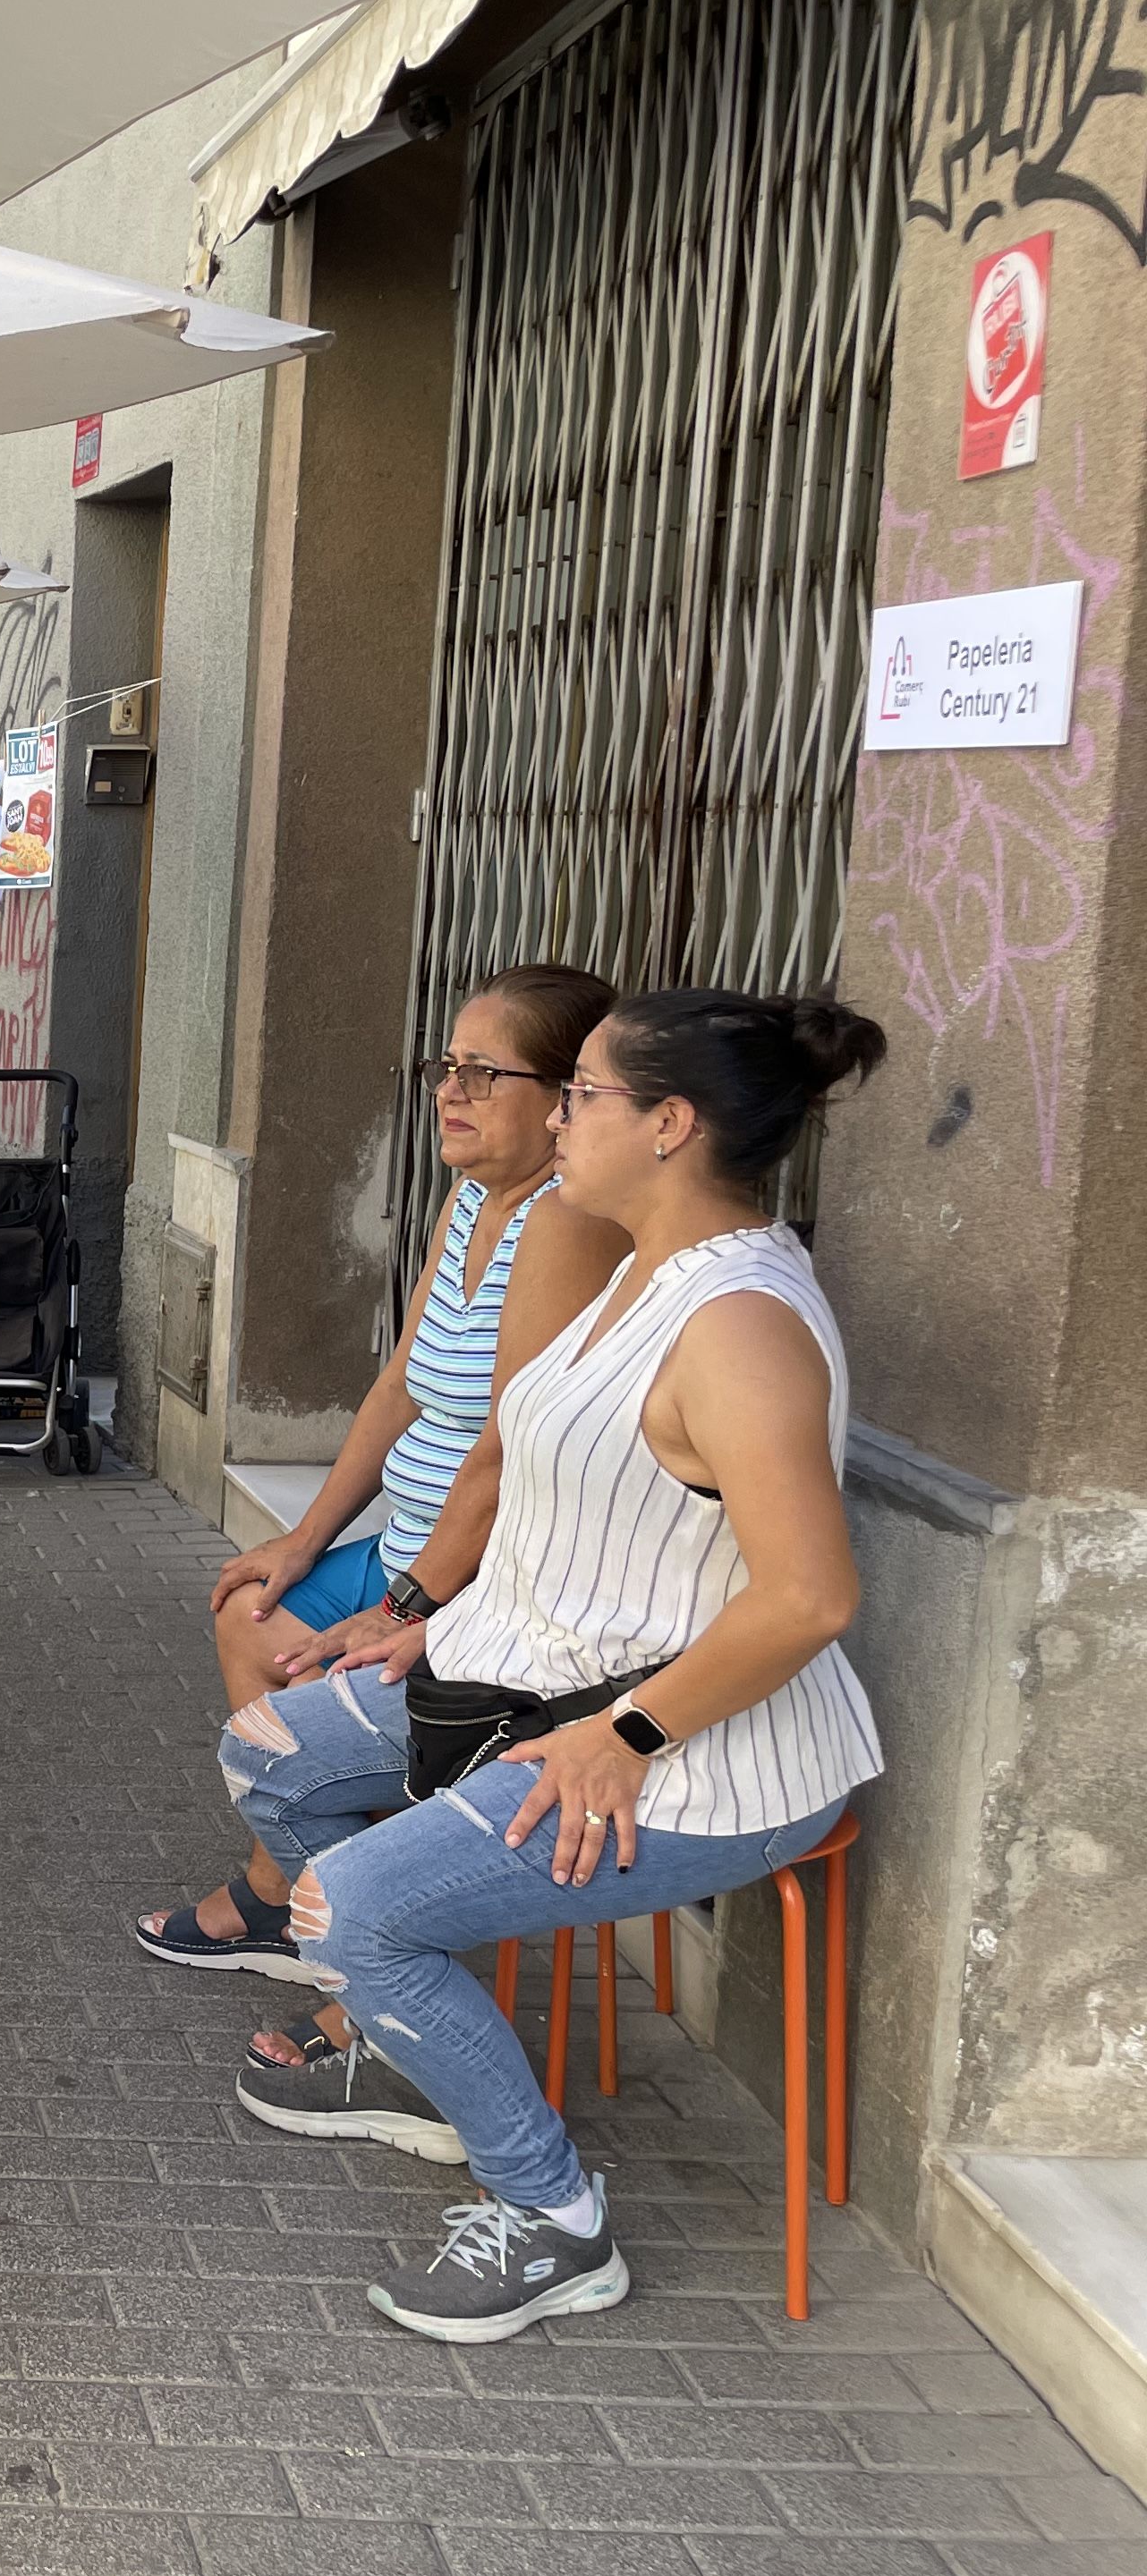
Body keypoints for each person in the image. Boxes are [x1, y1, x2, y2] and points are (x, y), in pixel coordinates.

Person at [221, 991, 889, 2342]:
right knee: (268, 1749)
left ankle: (553, 2220)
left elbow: (811, 1597)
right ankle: (424, 2063)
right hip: (522, 1680)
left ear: (669, 1124)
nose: (558, 1116)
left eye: (579, 1092)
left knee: (350, 1911)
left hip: (700, 1761)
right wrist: (428, 1619)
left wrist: (624, 1740)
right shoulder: (629, 1257)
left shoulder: (739, 1323)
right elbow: (560, 1493)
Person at [133, 966, 623, 1993]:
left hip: (474, 1583)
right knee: (248, 1609)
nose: (450, 1091)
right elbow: (400, 1379)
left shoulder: (568, 1226)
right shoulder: (473, 1198)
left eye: (486, 1074)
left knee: (312, 1701)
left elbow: (504, 1453)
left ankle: (343, 1928)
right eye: (449, 1066)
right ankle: (299, 1894)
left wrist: (405, 1606)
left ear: (565, 1100)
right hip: (408, 1548)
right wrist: (302, 1541)